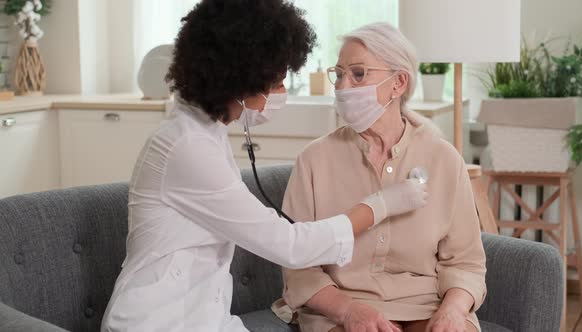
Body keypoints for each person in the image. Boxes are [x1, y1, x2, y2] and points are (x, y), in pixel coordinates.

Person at [100, 3, 427, 332]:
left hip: (204, 319)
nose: (280, 93)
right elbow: (290, 245)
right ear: (240, 81)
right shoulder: (186, 147)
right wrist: (381, 205)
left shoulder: (206, 131)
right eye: (276, 83)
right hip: (154, 323)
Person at [277, 22, 487, 332]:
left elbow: (466, 262)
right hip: (340, 308)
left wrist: (454, 310)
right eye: (339, 74)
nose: (343, 86)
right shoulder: (314, 160)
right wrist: (348, 312)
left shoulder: (444, 159)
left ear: (398, 83)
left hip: (425, 305)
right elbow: (300, 269)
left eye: (359, 74)